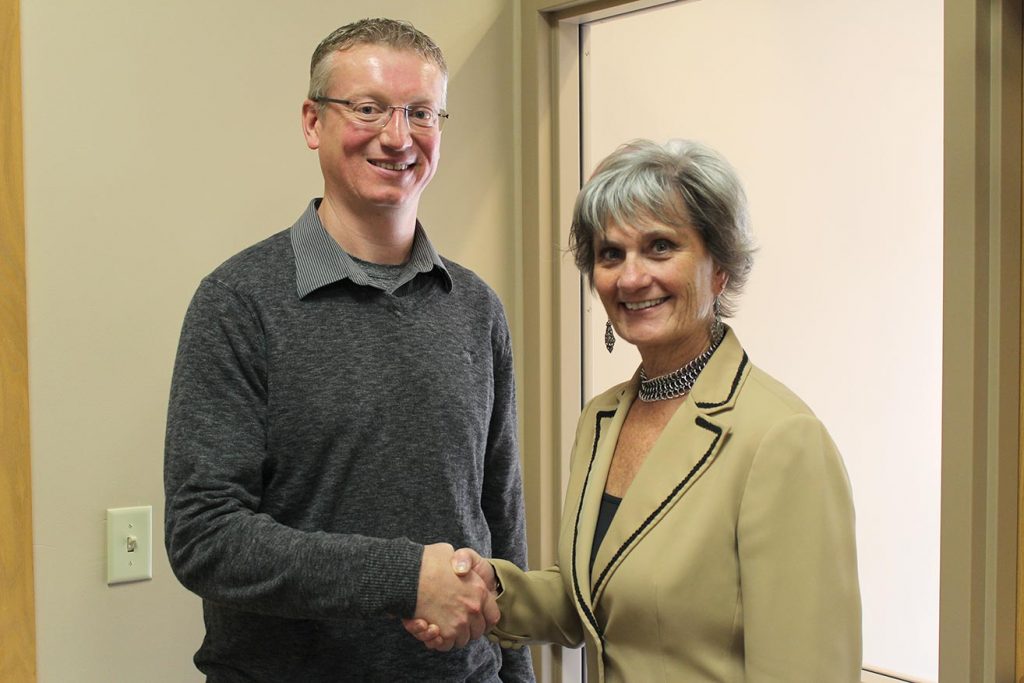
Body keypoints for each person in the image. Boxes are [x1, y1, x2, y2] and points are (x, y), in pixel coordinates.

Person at [407, 139, 861, 681]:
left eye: (661, 247)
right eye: (611, 254)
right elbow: (593, 602)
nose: (631, 277)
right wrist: (490, 587)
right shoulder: (603, 418)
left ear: (720, 267)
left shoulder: (783, 439)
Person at [164, 18, 534, 682]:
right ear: (313, 123)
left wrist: (517, 672)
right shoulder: (238, 303)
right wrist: (403, 576)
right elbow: (205, 536)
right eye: (368, 109)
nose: (398, 136)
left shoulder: (476, 308)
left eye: (421, 113)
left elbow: (501, 523)